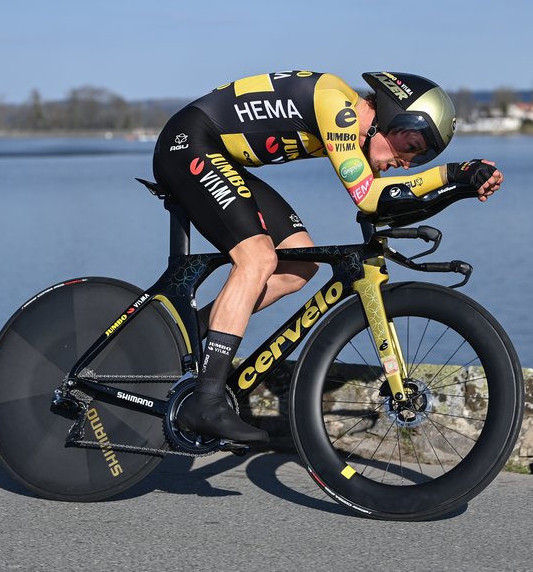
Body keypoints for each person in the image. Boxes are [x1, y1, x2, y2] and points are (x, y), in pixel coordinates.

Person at [151, 71, 503, 444]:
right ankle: (206, 400)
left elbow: (389, 202)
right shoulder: (339, 108)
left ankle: (180, 336)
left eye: (422, 155)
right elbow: (369, 198)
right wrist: (449, 173)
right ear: (389, 115)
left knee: (300, 265)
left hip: (219, 156)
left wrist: (462, 185)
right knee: (257, 259)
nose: (408, 160)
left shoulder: (351, 123)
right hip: (189, 144)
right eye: (411, 143)